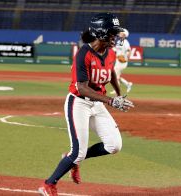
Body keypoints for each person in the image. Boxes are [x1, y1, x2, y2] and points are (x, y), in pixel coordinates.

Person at [38, 13, 134, 196]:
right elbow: (81, 88)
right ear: (101, 33)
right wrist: (112, 100)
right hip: (79, 103)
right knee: (78, 151)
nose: (116, 37)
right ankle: (48, 184)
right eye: (113, 33)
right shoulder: (84, 54)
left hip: (97, 104)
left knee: (114, 145)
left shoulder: (110, 52)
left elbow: (111, 72)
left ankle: (73, 160)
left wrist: (119, 94)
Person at [110, 28, 133, 94]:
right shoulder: (119, 41)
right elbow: (115, 50)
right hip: (118, 61)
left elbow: (129, 50)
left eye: (121, 33)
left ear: (124, 35)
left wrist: (127, 59)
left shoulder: (125, 42)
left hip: (122, 62)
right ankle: (128, 84)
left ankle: (116, 89)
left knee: (114, 76)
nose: (119, 33)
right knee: (117, 76)